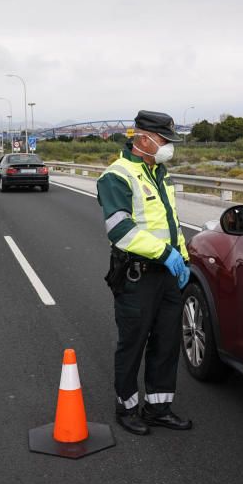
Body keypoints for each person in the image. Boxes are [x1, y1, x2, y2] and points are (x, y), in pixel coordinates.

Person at [96, 110, 193, 436]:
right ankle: (126, 408)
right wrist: (166, 254)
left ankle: (158, 408)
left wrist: (182, 257)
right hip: (137, 276)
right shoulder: (117, 175)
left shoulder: (160, 173)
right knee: (133, 344)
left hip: (167, 275)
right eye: (164, 140)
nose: (168, 146)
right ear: (143, 138)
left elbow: (170, 223)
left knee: (166, 344)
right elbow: (119, 230)